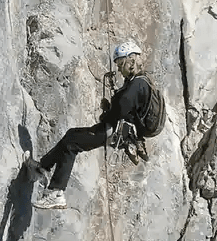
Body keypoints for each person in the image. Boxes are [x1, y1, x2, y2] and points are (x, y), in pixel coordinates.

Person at [28, 41, 151, 210]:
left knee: (72, 144)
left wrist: (108, 112)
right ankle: (42, 167)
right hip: (117, 131)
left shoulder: (138, 83)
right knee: (72, 136)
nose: (120, 69)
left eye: (122, 64)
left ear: (131, 60)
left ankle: (56, 193)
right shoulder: (140, 83)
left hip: (113, 130)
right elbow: (127, 108)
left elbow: (121, 109)